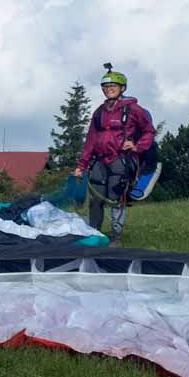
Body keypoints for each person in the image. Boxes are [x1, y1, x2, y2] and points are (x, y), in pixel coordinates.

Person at [73, 64, 156, 247]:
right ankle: (94, 233)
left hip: (121, 159)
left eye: (113, 86)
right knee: (96, 198)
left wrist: (137, 146)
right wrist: (81, 166)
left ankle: (115, 237)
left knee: (116, 197)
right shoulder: (99, 112)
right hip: (100, 160)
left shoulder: (134, 109)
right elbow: (91, 140)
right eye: (105, 87)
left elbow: (149, 131)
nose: (108, 89)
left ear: (122, 88)